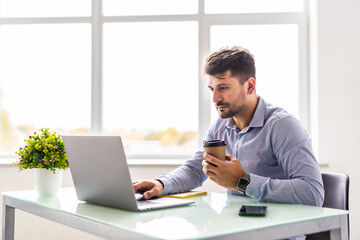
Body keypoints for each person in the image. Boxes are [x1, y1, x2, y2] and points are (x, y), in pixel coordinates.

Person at [133, 46, 324, 207]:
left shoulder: (282, 126)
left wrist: (243, 182)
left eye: (223, 88)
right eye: (212, 89)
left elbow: (313, 193)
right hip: (237, 229)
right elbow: (196, 168)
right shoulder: (220, 126)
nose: (215, 99)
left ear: (249, 86)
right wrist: (161, 184)